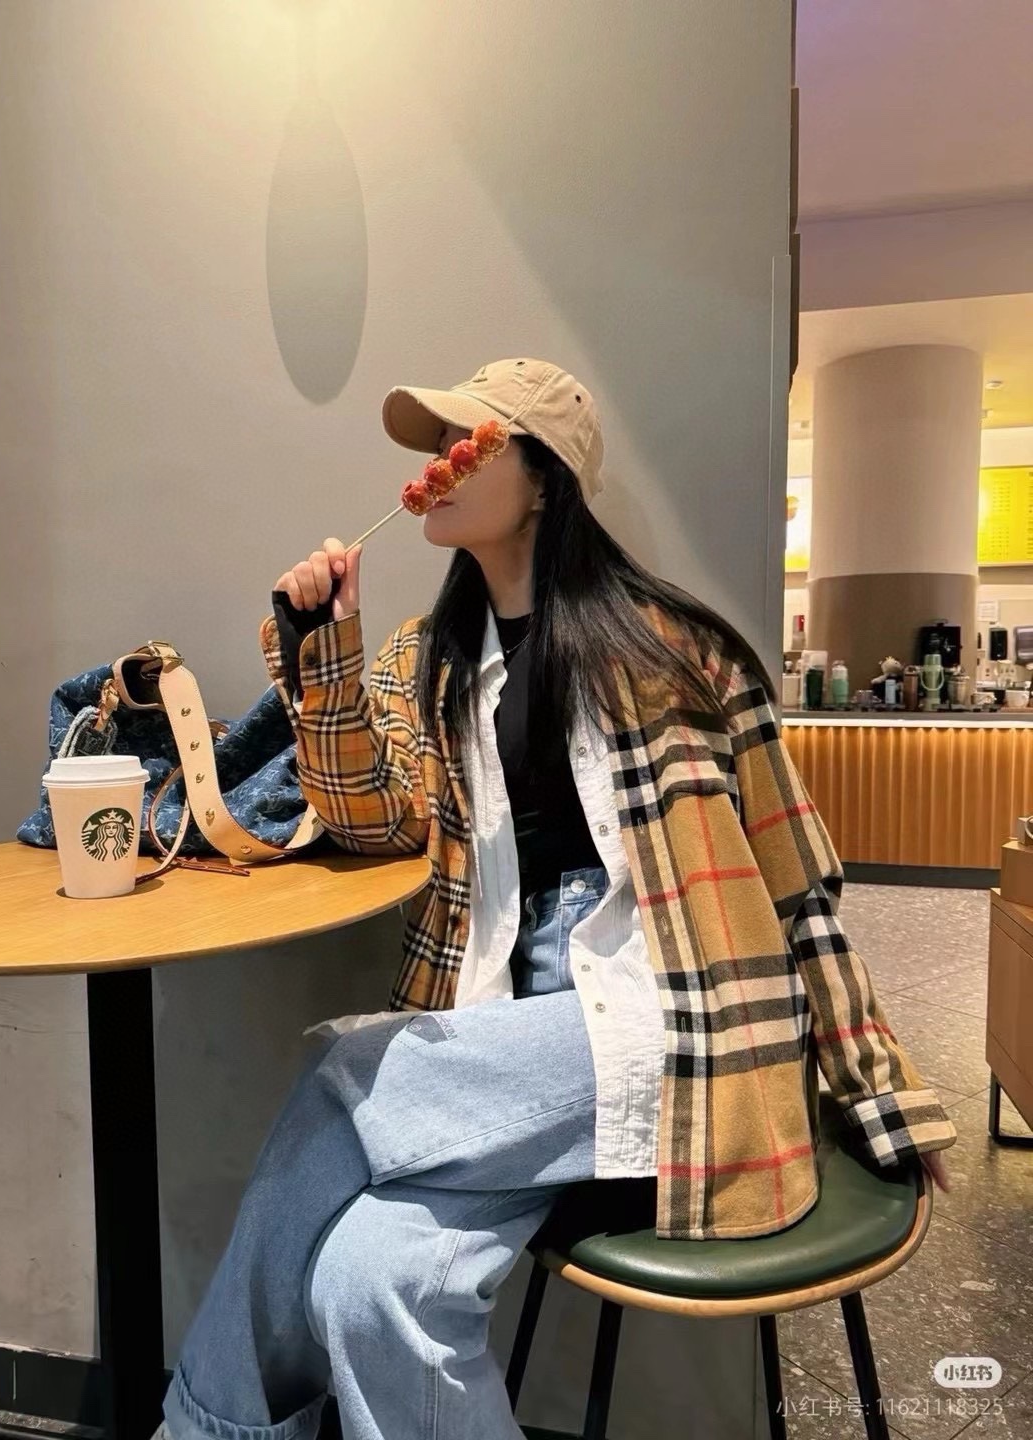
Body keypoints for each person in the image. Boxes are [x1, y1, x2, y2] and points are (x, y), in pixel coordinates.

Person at [156, 358, 956, 1440]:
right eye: (429, 447)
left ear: (542, 476)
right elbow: (370, 819)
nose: (435, 466)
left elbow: (796, 885)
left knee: (345, 1074)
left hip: (674, 1014)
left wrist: (876, 1086)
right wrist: (323, 655)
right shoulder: (430, 660)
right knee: (368, 1285)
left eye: (464, 440)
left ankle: (198, 1432)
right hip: (512, 1025)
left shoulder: (680, 653)